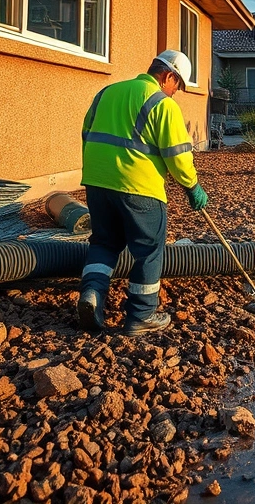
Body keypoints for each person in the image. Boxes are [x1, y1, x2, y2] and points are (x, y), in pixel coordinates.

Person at [77, 49, 209, 336]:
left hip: (97, 183)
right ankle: (141, 315)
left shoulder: (106, 93)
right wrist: (192, 186)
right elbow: (177, 156)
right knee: (148, 250)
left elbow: (87, 134)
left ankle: (92, 295)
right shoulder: (162, 103)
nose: (175, 92)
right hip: (139, 187)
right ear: (168, 76)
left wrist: (97, 173)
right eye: (177, 85)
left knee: (104, 243)